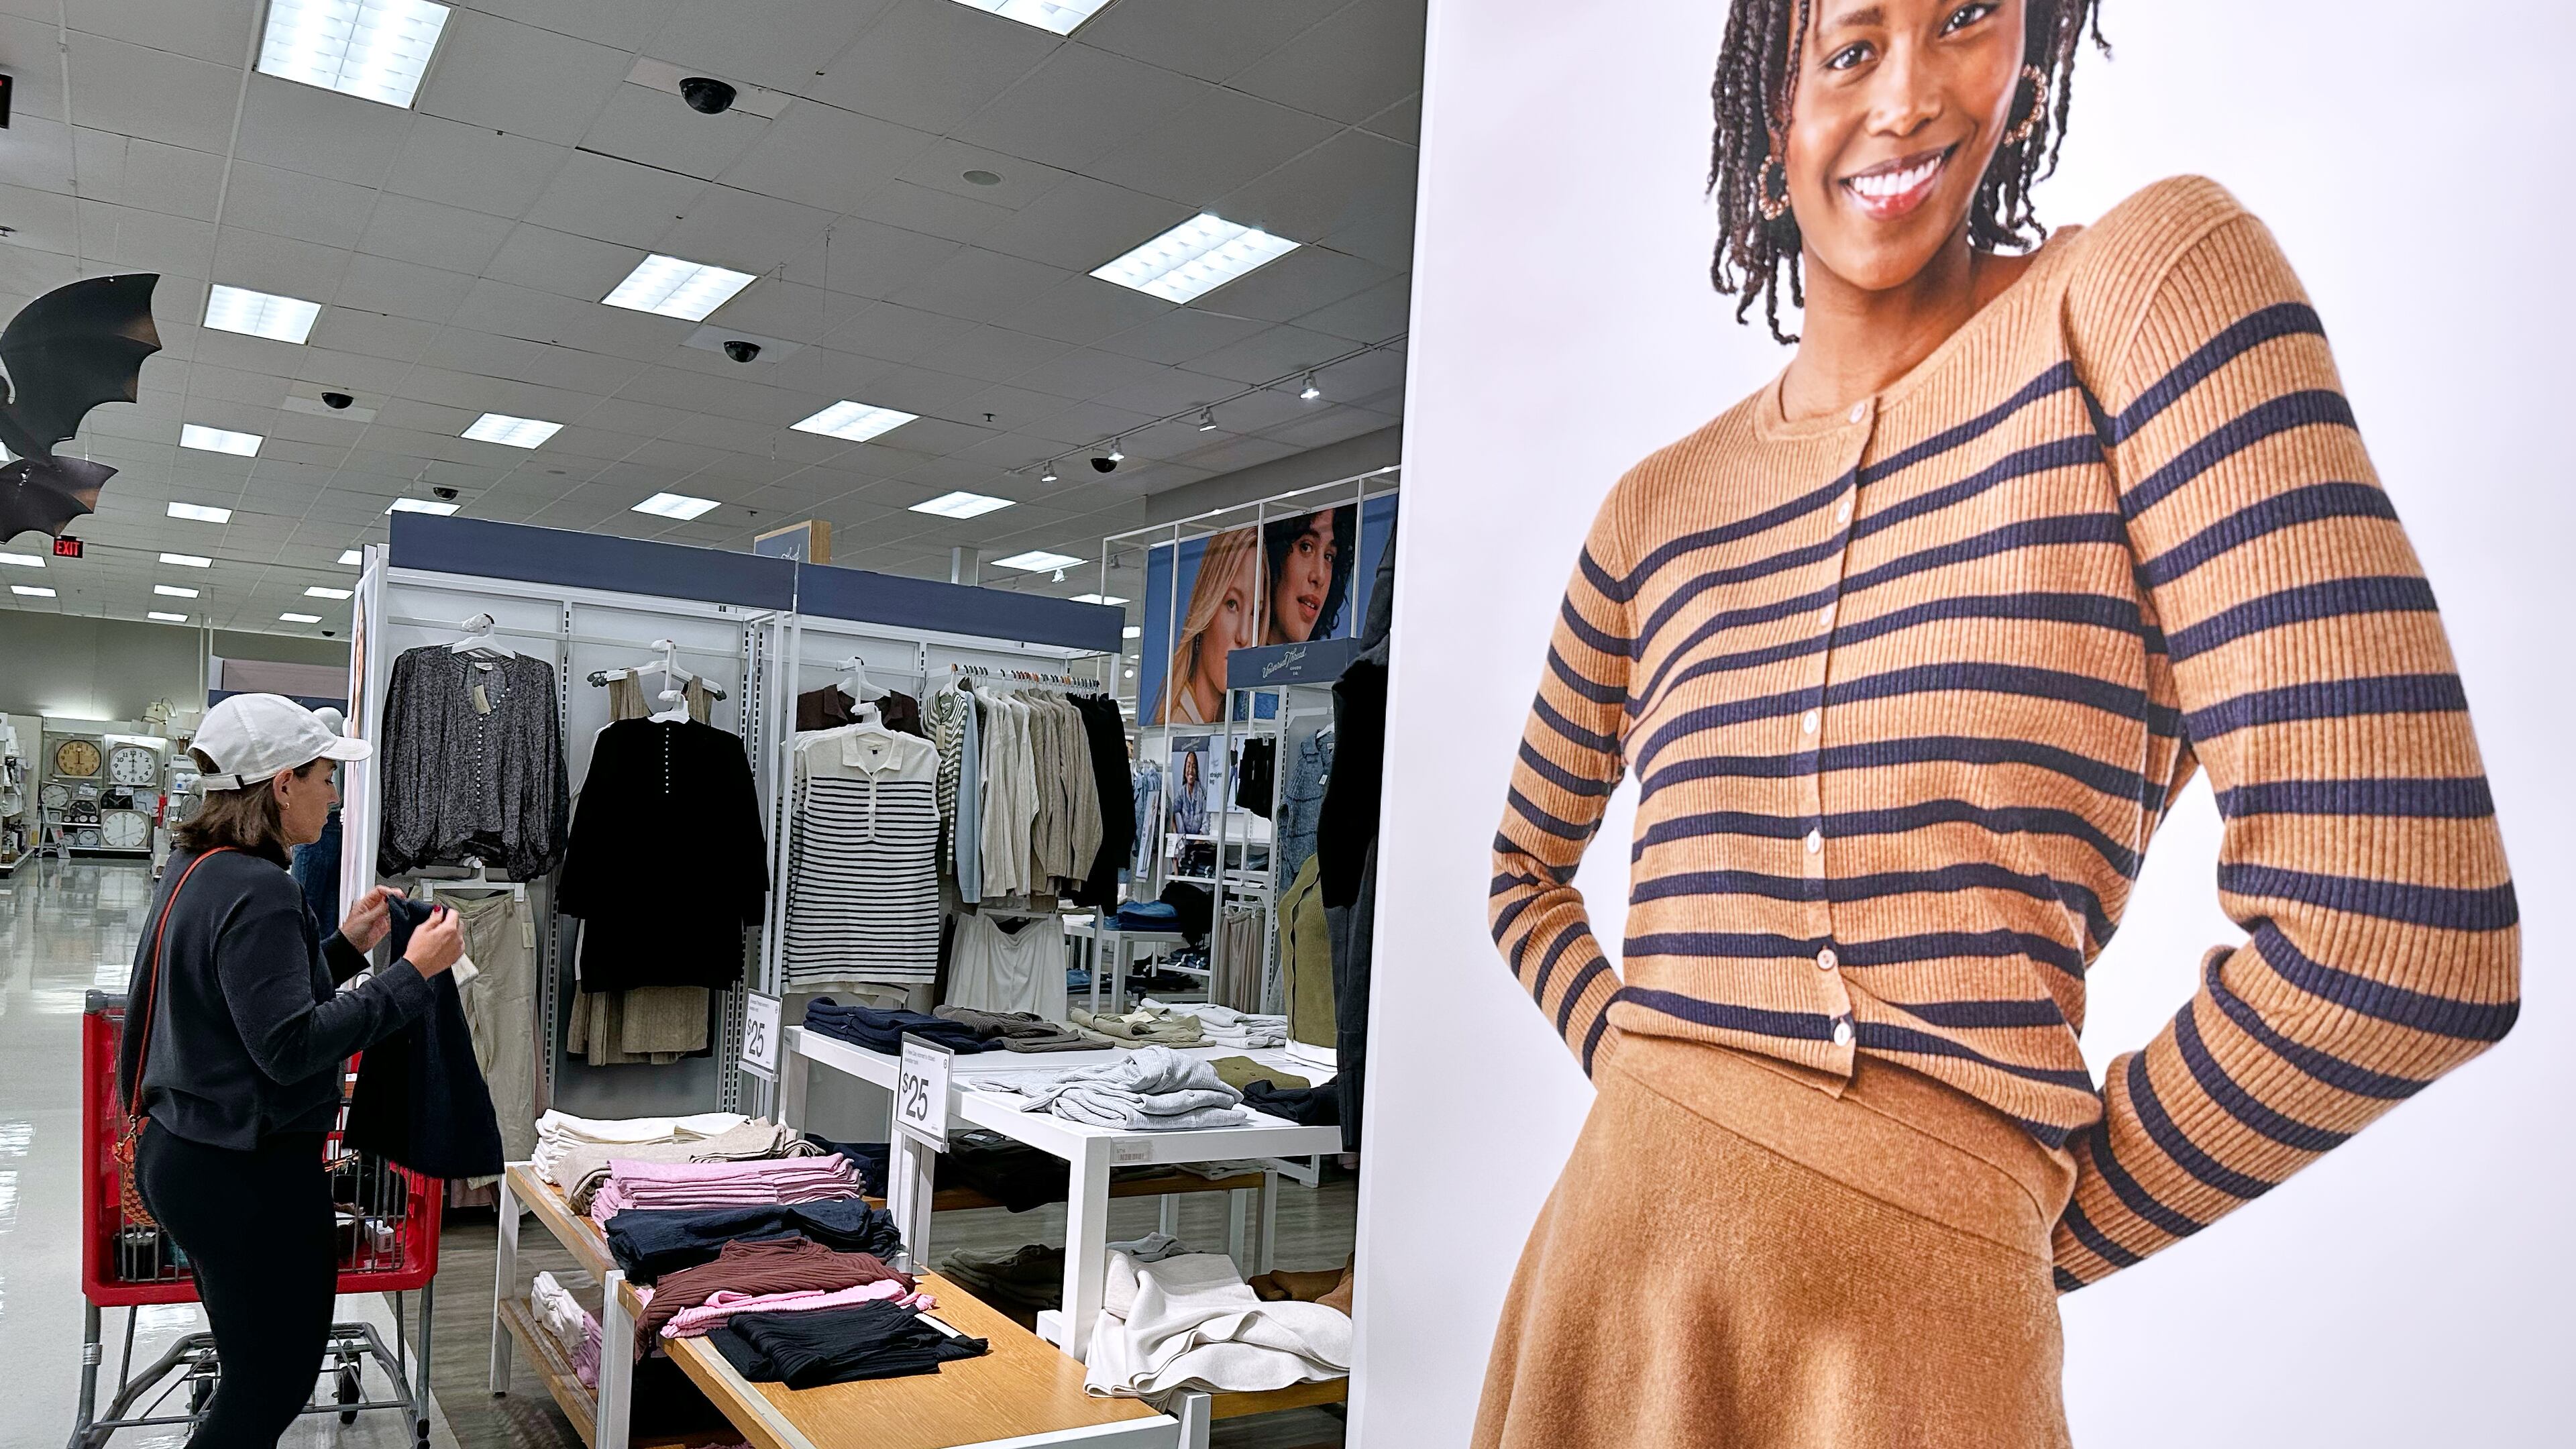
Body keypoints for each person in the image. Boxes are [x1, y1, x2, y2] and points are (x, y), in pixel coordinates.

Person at [1479, 2, 2519, 1446]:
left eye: (1963, 16)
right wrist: (1672, 1098)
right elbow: (1521, 876)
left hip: (1921, 1344)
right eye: (1849, 47)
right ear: (1764, 113)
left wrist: (1987, 1206)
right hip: (1611, 1292)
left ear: (2029, 47)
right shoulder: (1655, 509)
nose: (1908, 97)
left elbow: (2405, 936)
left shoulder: (2143, 293)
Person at [117, 694, 463, 1448]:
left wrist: (342, 945)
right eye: (324, 778)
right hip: (246, 1172)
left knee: (250, 1368)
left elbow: (239, 1006)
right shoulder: (260, 887)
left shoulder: (201, 869)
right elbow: (288, 1046)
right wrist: (410, 974)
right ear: (281, 783)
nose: (334, 798)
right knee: (271, 1382)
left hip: (187, 1156)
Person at [1151, 527, 1260, 726]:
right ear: (1207, 605)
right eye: (1232, 604)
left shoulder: (1217, 722)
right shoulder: (1178, 725)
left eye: (1255, 612)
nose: (1244, 636)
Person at [1260, 505, 1356, 645]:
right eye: (1306, 547)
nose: (1320, 576)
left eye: (1329, 557)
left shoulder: (1329, 665)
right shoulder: (1231, 662)